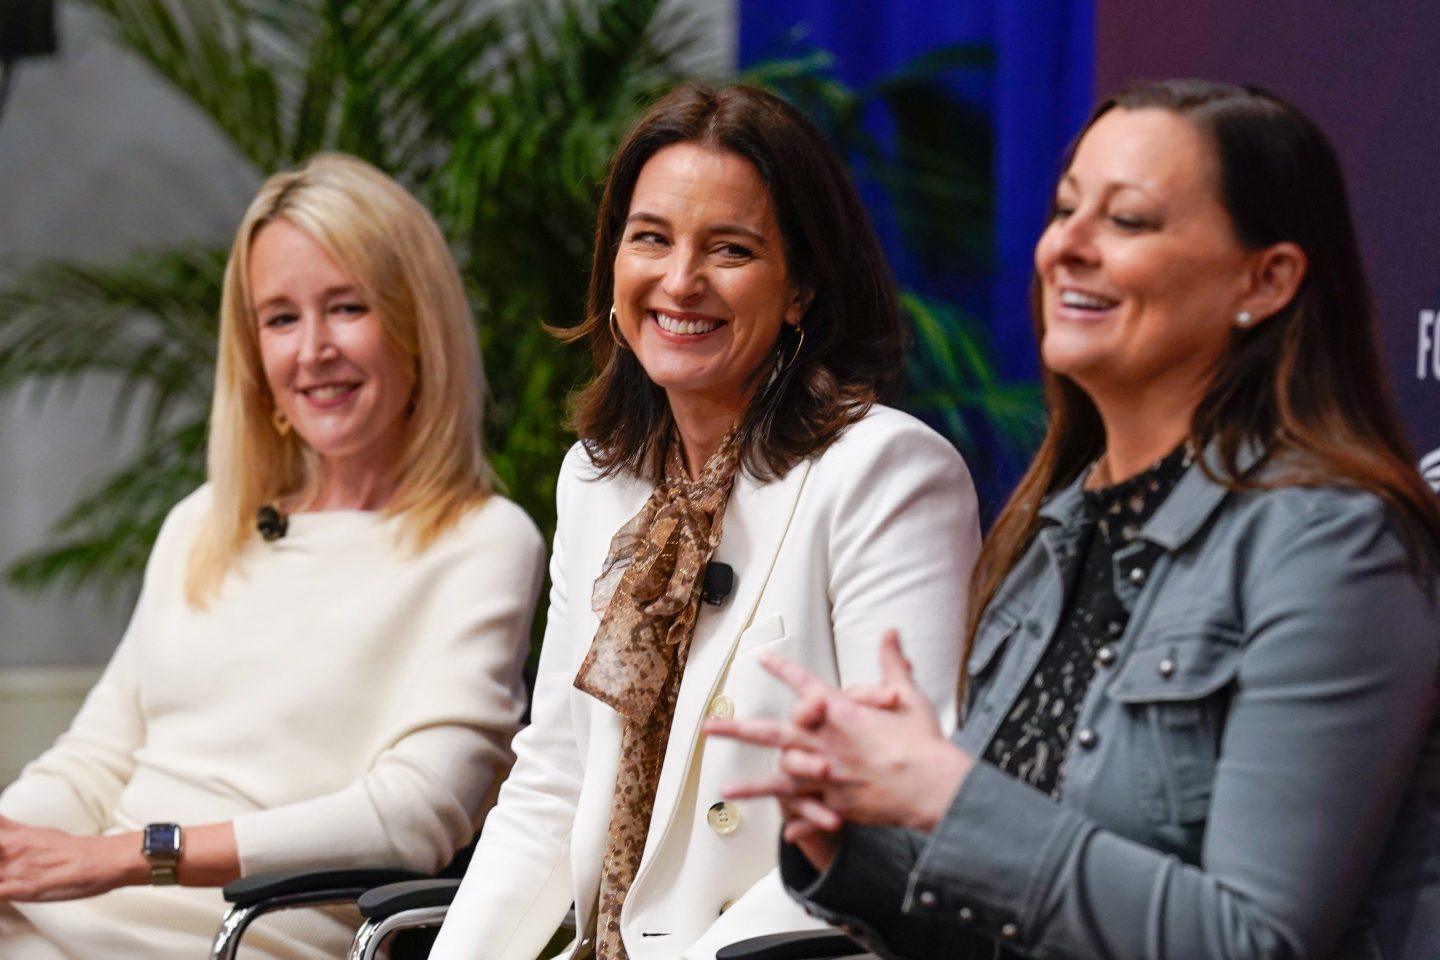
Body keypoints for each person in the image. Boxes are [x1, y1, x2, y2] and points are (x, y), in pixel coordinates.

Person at [709, 79, 1440, 959]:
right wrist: (853, 841)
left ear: (1268, 278)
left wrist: (947, 796)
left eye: (1127, 221)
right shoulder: (1058, 521)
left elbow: (1253, 941)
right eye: (1064, 210)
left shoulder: (1332, 544)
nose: (1067, 248)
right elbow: (1018, 911)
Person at [429, 82, 982, 960]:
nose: (679, 281)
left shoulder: (884, 475)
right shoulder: (598, 481)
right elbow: (555, 782)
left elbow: (899, 817)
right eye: (651, 239)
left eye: (729, 249)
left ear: (801, 287)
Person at [0, 153, 545, 960]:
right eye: (280, 318)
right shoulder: (204, 521)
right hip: (60, 921)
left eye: (347, 308)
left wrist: (131, 856)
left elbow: (412, 814)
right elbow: (94, 763)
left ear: (416, 327)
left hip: (238, 938)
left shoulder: (482, 541)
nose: (313, 350)